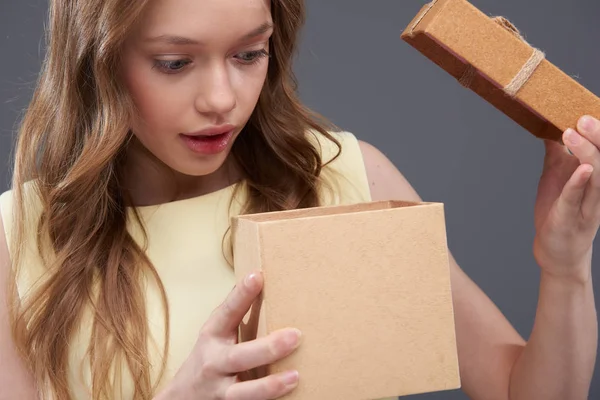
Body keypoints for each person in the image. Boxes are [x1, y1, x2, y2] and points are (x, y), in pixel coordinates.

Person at [0, 0, 597, 399]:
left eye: (248, 54)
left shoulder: (351, 178)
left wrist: (565, 267)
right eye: (175, 62)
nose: (221, 98)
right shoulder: (15, 238)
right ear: (96, 61)